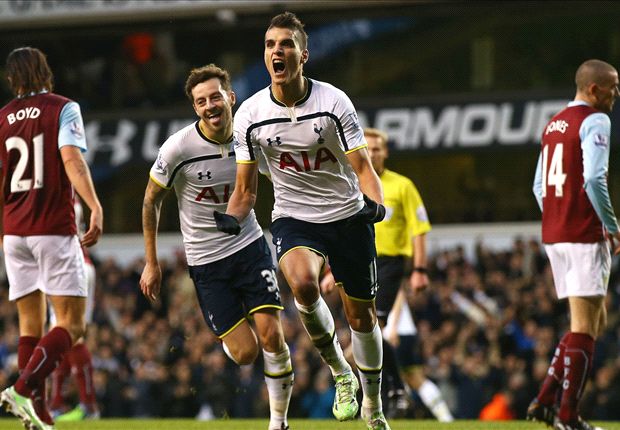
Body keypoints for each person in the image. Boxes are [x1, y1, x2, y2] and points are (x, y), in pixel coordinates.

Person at [219, 11, 390, 430]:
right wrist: (230, 218)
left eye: (286, 44)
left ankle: (374, 406)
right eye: (270, 44)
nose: (277, 51)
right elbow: (246, 191)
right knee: (302, 283)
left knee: (362, 318)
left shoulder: (333, 103)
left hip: (348, 216)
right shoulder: (250, 115)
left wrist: (376, 205)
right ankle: (340, 373)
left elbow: (364, 168)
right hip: (295, 217)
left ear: (304, 54)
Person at [139, 64, 293, 430]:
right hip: (206, 262)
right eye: (201, 100)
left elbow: (281, 175)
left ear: (230, 97)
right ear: (195, 107)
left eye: (215, 97)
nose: (210, 105)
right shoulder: (178, 147)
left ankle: (278, 422)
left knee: (272, 334)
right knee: (245, 353)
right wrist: (151, 261)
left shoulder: (250, 137)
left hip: (250, 245)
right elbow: (150, 201)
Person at [0, 47, 104, 430]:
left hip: (14, 233)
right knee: (72, 326)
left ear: (12, 79)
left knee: (31, 326)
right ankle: (23, 390)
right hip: (53, 229)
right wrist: (94, 205)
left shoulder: (1, 119)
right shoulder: (63, 107)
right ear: (46, 72)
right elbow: (72, 160)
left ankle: (40, 414)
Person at [529, 59, 620, 430]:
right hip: (583, 235)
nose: (617, 94)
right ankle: (568, 416)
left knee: (587, 321)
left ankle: (545, 401)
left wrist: (558, 215)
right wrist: (612, 226)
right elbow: (595, 178)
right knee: (585, 326)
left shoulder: (554, 124)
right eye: (613, 86)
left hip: (555, 235)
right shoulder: (596, 120)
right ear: (594, 89)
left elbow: (539, 186)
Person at [365, 127, 453, 421]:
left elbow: (419, 230)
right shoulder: (355, 184)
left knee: (373, 325)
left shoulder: (402, 186)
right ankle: (389, 392)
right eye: (368, 148)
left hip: (391, 263)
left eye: (378, 148)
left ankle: (396, 389)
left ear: (385, 152)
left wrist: (419, 269)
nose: (373, 152)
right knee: (363, 333)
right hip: (360, 263)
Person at [48, 198, 99, 421]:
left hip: (70, 269)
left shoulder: (56, 196)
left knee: (66, 335)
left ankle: (85, 405)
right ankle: (60, 403)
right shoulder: (70, 195)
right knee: (66, 337)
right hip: (81, 266)